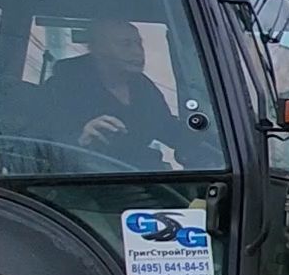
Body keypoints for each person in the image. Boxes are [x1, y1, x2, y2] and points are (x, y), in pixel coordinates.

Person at [43, 19, 207, 171]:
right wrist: (81, 140)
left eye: (139, 44)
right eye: (126, 44)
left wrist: (207, 136)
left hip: (141, 174)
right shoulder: (62, 88)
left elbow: (166, 128)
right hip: (83, 179)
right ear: (97, 48)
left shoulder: (142, 87)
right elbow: (42, 144)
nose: (138, 52)